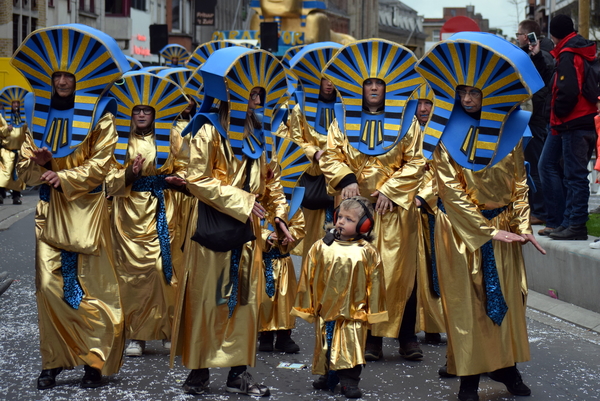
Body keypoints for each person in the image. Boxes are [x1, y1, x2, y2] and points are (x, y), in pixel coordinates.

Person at [416, 32, 546, 401]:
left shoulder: (512, 133)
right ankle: (469, 377)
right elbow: (450, 191)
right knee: (468, 304)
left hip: (504, 228)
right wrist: (486, 231)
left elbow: (519, 184)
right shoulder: (441, 133)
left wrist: (521, 227)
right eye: (462, 93)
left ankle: (506, 367)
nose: (468, 99)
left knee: (508, 300)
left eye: (474, 93)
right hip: (460, 231)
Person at [170, 47, 293, 397]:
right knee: (207, 300)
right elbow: (198, 179)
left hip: (247, 235)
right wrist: (243, 201)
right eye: (247, 92)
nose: (254, 99)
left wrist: (280, 215)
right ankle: (198, 370)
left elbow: (272, 181)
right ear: (228, 92)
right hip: (211, 232)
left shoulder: (259, 133)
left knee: (244, 303)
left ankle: (238, 372)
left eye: (258, 93)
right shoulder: (208, 132)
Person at [12, 24, 131, 389]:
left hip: (88, 214)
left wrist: (64, 176)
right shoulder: (36, 117)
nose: (63, 81)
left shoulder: (101, 116)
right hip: (49, 215)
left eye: (69, 75)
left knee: (92, 290)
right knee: (49, 288)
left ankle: (94, 361)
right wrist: (43, 165)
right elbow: (22, 170)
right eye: (58, 75)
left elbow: (102, 164)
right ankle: (54, 360)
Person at [320, 39, 426, 362]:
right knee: (362, 276)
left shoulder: (407, 121)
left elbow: (417, 161)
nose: (375, 89)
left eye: (380, 83)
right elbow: (329, 157)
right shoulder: (342, 119)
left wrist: (392, 190)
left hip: (394, 212)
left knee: (401, 274)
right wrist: (348, 178)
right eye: (369, 84)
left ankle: (406, 337)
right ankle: (371, 339)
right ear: (360, 89)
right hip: (356, 214)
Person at [106, 71, 190, 357]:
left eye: (147, 110)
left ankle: (167, 328)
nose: (141, 114)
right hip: (127, 214)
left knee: (163, 270)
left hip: (163, 209)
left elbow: (186, 167)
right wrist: (129, 173)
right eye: (137, 110)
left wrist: (177, 179)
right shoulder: (117, 139)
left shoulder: (172, 135)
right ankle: (136, 335)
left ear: (155, 114)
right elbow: (107, 179)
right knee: (133, 274)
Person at [292, 196, 387, 399]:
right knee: (325, 346)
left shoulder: (368, 252)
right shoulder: (321, 246)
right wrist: (307, 306)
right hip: (325, 310)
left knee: (351, 350)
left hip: (353, 314)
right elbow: (307, 276)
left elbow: (376, 283)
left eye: (349, 219)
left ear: (364, 225)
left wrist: (374, 313)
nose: (341, 221)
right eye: (340, 216)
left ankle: (349, 381)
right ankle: (327, 375)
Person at [287, 42, 342, 259]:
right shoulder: (301, 108)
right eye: (324, 79)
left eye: (332, 79)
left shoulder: (346, 108)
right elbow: (294, 139)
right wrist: (314, 153)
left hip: (337, 180)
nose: (328, 84)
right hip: (311, 179)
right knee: (312, 238)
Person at [547, 14, 598, 240]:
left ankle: (576, 225)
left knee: (574, 176)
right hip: (588, 119)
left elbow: (567, 90)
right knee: (574, 175)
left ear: (553, 34)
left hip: (573, 122)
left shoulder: (567, 54)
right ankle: (569, 222)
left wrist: (558, 112)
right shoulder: (583, 49)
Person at [410, 83, 446, 345]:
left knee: (434, 269)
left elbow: (441, 173)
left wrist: (423, 196)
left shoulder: (443, 134)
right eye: (419, 103)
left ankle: (433, 324)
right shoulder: (402, 130)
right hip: (403, 209)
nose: (423, 109)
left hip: (431, 211)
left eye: (429, 103)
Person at [257, 164, 305, 354]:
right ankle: (265, 335)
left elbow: (300, 226)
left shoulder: (290, 205)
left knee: (285, 299)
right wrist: (265, 236)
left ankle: (285, 335)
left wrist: (289, 236)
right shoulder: (255, 206)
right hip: (262, 262)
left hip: (283, 261)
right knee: (264, 299)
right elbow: (249, 227)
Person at [516, 19, 556, 228]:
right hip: (538, 118)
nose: (517, 38)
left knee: (537, 167)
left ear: (527, 35)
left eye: (518, 35)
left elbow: (542, 82)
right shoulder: (537, 55)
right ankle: (537, 209)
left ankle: (540, 210)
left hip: (538, 119)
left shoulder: (543, 56)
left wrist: (536, 55)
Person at [0, 87, 29, 204]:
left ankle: (16, 197)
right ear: (10, 104)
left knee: (18, 176)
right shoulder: (2, 117)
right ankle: (0, 194)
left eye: (18, 103)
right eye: (14, 103)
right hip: (7, 151)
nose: (16, 105)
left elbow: (27, 132)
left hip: (19, 151)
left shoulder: (23, 118)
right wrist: (7, 129)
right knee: (4, 173)